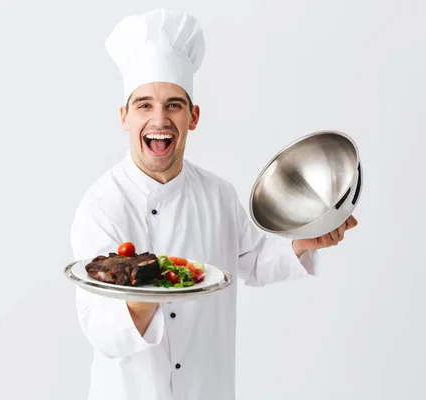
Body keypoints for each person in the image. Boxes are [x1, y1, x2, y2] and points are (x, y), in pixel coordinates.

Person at [69, 8, 358, 400]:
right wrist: (150, 286)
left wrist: (306, 240)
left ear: (194, 116)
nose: (160, 119)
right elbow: (100, 329)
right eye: (144, 105)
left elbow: (253, 259)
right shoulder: (101, 206)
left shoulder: (218, 194)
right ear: (124, 117)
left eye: (174, 104)